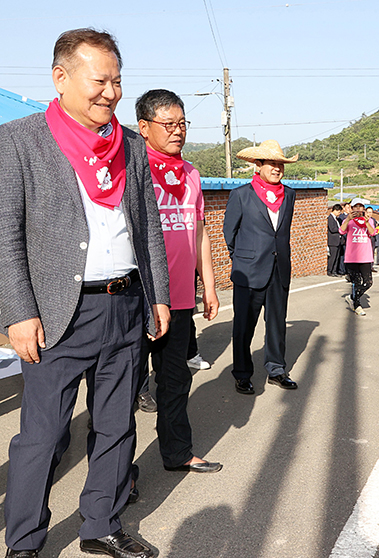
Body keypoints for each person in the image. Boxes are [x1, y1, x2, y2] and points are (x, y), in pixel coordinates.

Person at [0, 28, 170, 558]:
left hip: (126, 303)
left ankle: (102, 524)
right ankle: (24, 540)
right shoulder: (19, 140)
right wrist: (19, 311)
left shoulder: (133, 148)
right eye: (100, 80)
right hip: (56, 315)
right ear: (61, 77)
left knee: (117, 424)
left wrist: (158, 293)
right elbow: (5, 234)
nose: (111, 93)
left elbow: (148, 229)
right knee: (44, 436)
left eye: (118, 81)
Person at [136, 89, 222, 474]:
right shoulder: (133, 169)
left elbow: (200, 231)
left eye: (182, 123)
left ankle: (178, 452)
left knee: (175, 381)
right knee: (120, 393)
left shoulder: (191, 174)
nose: (178, 131)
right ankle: (122, 477)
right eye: (168, 124)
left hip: (181, 295)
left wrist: (210, 284)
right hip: (139, 297)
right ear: (144, 127)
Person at [224, 140, 299, 395]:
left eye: (280, 164)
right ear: (258, 165)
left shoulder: (289, 195)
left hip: (279, 270)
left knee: (277, 324)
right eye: (272, 164)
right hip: (249, 272)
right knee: (244, 327)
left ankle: (276, 369)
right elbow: (229, 233)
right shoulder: (241, 195)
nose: (277, 169)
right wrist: (243, 259)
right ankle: (242, 374)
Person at [339, 202, 377, 316]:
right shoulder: (348, 220)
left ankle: (352, 297)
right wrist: (347, 219)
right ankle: (357, 305)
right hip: (352, 257)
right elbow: (341, 231)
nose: (358, 209)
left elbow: (372, 233)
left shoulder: (369, 220)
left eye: (360, 207)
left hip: (365, 256)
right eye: (356, 207)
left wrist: (366, 222)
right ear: (352, 208)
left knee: (368, 282)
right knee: (356, 282)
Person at [327, 204, 344, 277]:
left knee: (337, 257)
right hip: (333, 241)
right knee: (333, 257)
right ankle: (330, 270)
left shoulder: (336, 219)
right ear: (335, 210)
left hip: (338, 241)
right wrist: (340, 230)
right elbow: (332, 229)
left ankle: (334, 270)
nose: (339, 214)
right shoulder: (330, 218)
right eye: (339, 212)